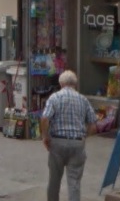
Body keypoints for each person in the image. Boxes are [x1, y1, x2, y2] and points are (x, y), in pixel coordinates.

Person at [40, 70, 97, 201]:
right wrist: (84, 137)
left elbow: (44, 118)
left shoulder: (54, 97)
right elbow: (93, 126)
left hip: (57, 143)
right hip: (77, 143)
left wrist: (45, 136)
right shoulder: (83, 100)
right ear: (75, 84)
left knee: (54, 181)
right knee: (74, 183)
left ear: (61, 83)